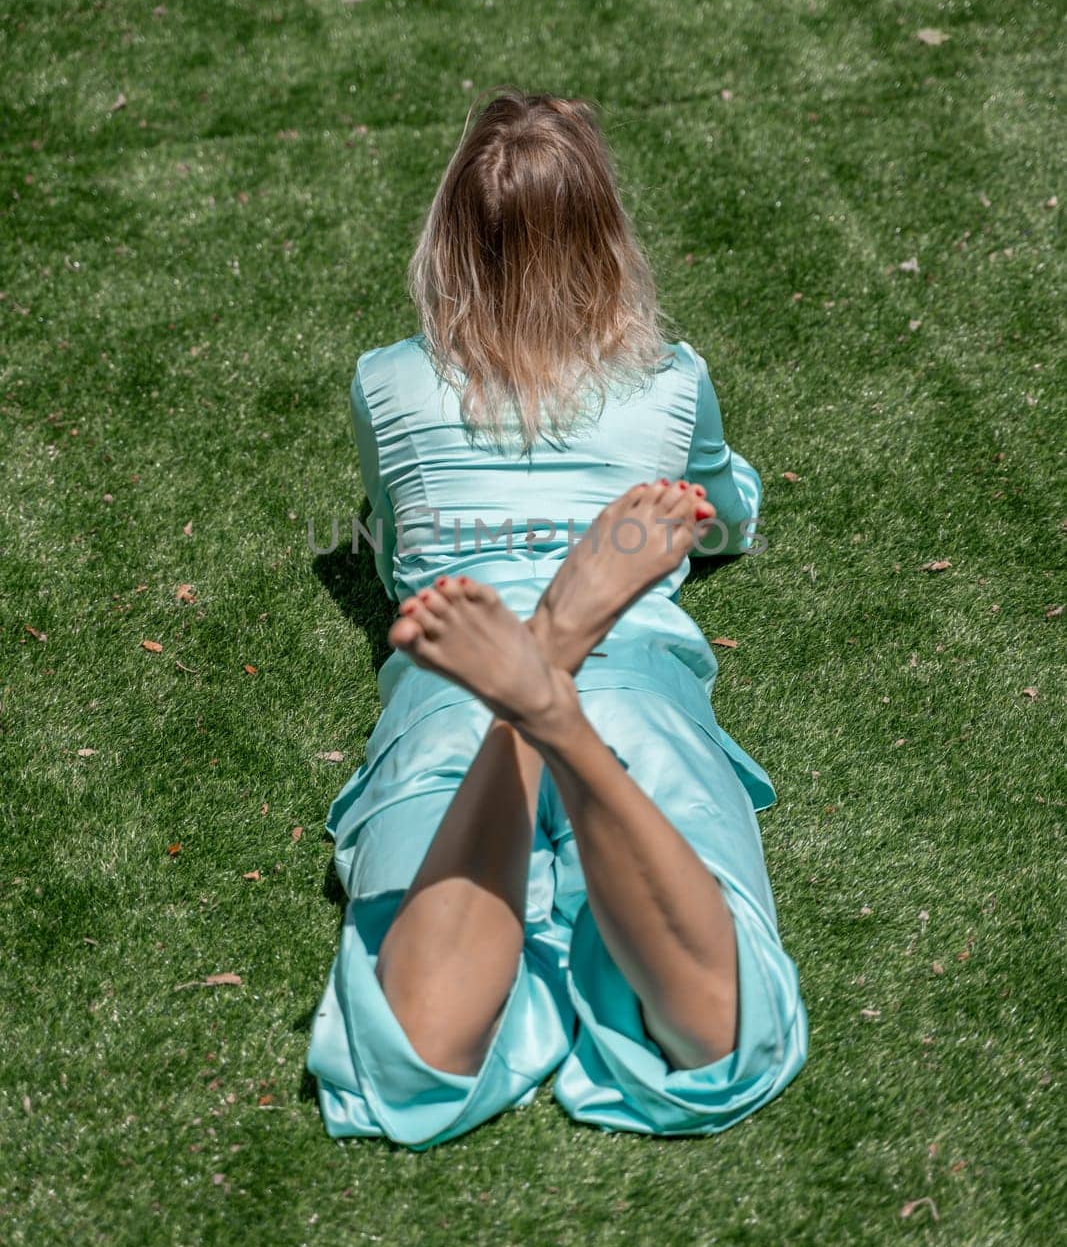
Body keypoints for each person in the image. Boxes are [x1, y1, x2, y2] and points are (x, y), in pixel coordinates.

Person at [306, 90, 808, 1149]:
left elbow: (398, 553)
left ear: (445, 236)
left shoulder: (384, 380)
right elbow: (718, 520)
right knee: (718, 1039)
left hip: (456, 665)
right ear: (608, 236)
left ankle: (529, 686)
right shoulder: (670, 382)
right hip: (628, 667)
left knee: (410, 1063)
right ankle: (558, 668)